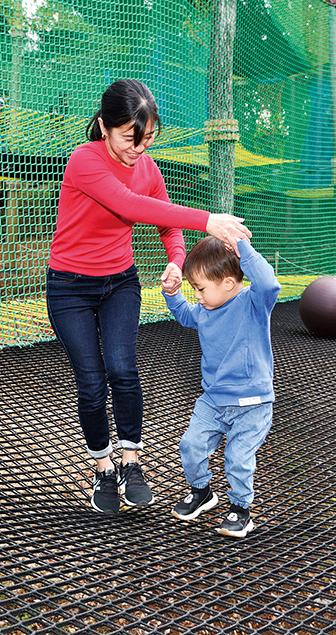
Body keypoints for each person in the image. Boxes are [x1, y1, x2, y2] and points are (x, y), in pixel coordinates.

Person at [46, 79, 253, 515]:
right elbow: (131, 206)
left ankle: (130, 462)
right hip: (70, 287)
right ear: (104, 127)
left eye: (148, 138)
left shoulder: (148, 166)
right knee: (90, 381)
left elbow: (165, 221)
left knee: (122, 367)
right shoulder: (85, 161)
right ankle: (103, 468)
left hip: (120, 281)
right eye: (129, 138)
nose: (138, 148)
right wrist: (208, 219)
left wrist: (177, 259)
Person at [162, 235, 281, 538]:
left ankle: (241, 511)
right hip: (214, 400)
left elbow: (268, 283)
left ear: (228, 283)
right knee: (191, 445)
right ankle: (202, 492)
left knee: (238, 458)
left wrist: (243, 248)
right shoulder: (204, 309)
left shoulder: (252, 304)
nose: (197, 295)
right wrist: (173, 294)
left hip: (252, 403)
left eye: (200, 288)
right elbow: (185, 314)